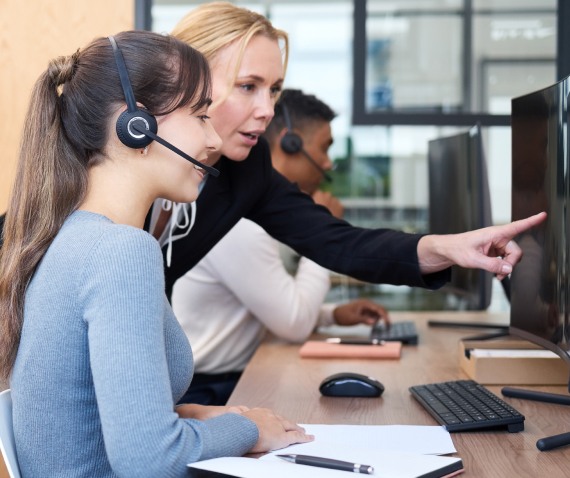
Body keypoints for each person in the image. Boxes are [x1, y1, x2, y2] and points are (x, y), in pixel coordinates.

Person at [0, 31, 312, 478]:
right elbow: (150, 460)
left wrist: (187, 416)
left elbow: (85, 416)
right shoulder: (121, 252)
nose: (214, 141)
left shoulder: (69, 237)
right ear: (136, 125)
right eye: (201, 115)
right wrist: (247, 429)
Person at [147, 0, 544, 305]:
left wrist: (449, 247)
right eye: (248, 86)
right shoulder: (128, 163)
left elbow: (342, 244)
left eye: (273, 89)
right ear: (189, 81)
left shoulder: (247, 171)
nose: (268, 110)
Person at [172, 89, 389, 406]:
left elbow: (269, 308)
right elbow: (294, 324)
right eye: (325, 149)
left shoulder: (252, 208)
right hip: (208, 392)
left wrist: (331, 316)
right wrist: (322, 233)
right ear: (291, 144)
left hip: (229, 378)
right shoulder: (240, 222)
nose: (329, 164)